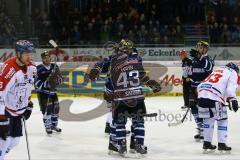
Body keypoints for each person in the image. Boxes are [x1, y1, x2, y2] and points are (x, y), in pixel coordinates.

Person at [89, 39, 161, 157]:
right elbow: (101, 63)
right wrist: (96, 69)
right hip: (119, 91)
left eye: (128, 48)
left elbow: (100, 64)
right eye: (124, 48)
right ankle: (120, 143)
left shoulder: (121, 58)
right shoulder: (130, 58)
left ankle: (127, 143)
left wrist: (96, 70)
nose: (126, 50)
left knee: (119, 119)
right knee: (120, 119)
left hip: (119, 92)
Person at [0, 40, 36, 160]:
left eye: (31, 54)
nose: (29, 57)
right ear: (18, 53)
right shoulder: (9, 70)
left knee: (14, 141)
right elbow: (0, 94)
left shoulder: (32, 67)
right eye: (27, 54)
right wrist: (1, 119)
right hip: (6, 110)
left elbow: (29, 86)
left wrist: (28, 104)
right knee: (4, 141)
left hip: (18, 111)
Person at [197, 62, 239, 153]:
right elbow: (230, 88)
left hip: (201, 93)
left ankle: (206, 143)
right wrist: (232, 99)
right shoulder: (233, 72)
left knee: (208, 120)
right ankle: (222, 144)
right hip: (214, 96)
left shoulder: (217, 70)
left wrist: (227, 99)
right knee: (222, 120)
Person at [189, 41, 214, 142]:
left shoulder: (207, 59)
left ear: (205, 49)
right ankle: (200, 127)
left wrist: (200, 58)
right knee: (193, 107)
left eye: (201, 47)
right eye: (198, 47)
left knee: (202, 108)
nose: (199, 48)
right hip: (193, 87)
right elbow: (190, 72)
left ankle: (205, 129)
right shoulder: (194, 59)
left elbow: (209, 69)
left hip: (203, 88)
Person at [35, 51, 63, 135]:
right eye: (45, 58)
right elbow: (36, 82)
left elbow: (60, 78)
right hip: (43, 93)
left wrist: (56, 81)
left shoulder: (55, 66)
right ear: (42, 59)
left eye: (48, 57)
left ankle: (54, 125)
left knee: (56, 109)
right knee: (47, 110)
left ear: (50, 58)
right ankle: (47, 126)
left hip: (53, 92)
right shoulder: (39, 68)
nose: (47, 59)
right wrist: (47, 83)